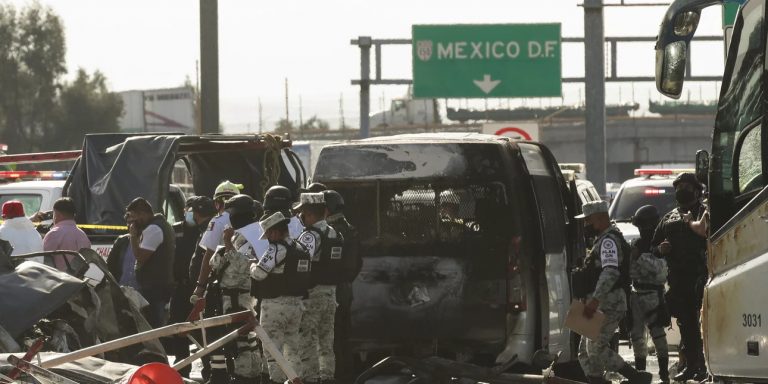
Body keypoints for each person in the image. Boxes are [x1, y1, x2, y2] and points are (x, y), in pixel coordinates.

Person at [575, 200, 651, 384]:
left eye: (588, 221)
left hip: (607, 302)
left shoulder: (609, 241)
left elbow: (611, 272)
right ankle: (596, 380)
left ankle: (636, 377)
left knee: (595, 348)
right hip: (593, 301)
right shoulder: (601, 240)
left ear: (601, 219)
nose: (586, 226)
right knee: (584, 351)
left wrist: (595, 300)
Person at [652, 172, 708, 382]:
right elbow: (653, 246)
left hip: (702, 277)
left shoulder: (705, 212)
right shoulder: (670, 217)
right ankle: (693, 366)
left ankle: (705, 366)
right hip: (679, 280)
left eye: (685, 186)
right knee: (687, 325)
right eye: (677, 187)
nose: (680, 190)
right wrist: (661, 249)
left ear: (696, 190)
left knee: (705, 325)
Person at [207, 194, 265, 384]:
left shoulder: (245, 235)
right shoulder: (257, 232)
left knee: (243, 341)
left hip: (240, 298)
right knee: (246, 340)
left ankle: (246, 377)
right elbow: (214, 262)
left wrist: (228, 244)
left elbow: (240, 266)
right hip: (242, 297)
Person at [251, 211, 312, 384]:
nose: (268, 238)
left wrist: (252, 265)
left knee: (272, 349)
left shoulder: (277, 249)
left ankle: (275, 381)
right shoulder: (301, 247)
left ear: (276, 232)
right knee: (292, 348)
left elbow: (259, 274)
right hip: (297, 306)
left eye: (269, 234)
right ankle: (295, 380)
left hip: (275, 306)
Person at [166, 196, 218, 379]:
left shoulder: (210, 229)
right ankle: (182, 372)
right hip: (181, 288)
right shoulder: (177, 229)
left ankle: (209, 371)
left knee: (203, 332)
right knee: (179, 330)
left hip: (201, 288)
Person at [296, 192, 344, 384]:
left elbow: (299, 260)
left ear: (307, 213)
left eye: (302, 213)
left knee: (307, 339)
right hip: (330, 293)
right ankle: (326, 377)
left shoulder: (310, 235)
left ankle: (310, 378)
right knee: (326, 340)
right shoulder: (334, 233)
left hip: (312, 294)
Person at [323, 190, 361, 382]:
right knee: (344, 338)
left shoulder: (330, 231)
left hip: (333, 291)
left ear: (326, 209)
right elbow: (357, 264)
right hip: (346, 290)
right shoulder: (351, 229)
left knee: (331, 339)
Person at [629, 205, 670, 384]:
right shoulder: (637, 245)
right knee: (637, 338)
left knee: (658, 336)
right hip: (637, 294)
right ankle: (640, 375)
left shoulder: (662, 245)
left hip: (653, 295)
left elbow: (661, 272)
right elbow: (631, 271)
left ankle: (664, 375)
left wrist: (643, 258)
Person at [125, 197, 176, 329]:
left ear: (142, 213)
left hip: (154, 289)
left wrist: (133, 236)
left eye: (133, 217)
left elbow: (140, 257)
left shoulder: (154, 229)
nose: (132, 222)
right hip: (156, 286)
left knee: (153, 328)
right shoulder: (159, 225)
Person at [192, 180, 244, 302]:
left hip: (226, 282)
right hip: (247, 279)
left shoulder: (218, 222)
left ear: (216, 203)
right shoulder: (249, 219)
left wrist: (200, 286)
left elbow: (209, 254)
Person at [42, 197, 91, 271]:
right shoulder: (83, 235)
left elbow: (42, 259)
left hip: (58, 280)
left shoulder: (54, 233)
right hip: (78, 280)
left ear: (57, 214)